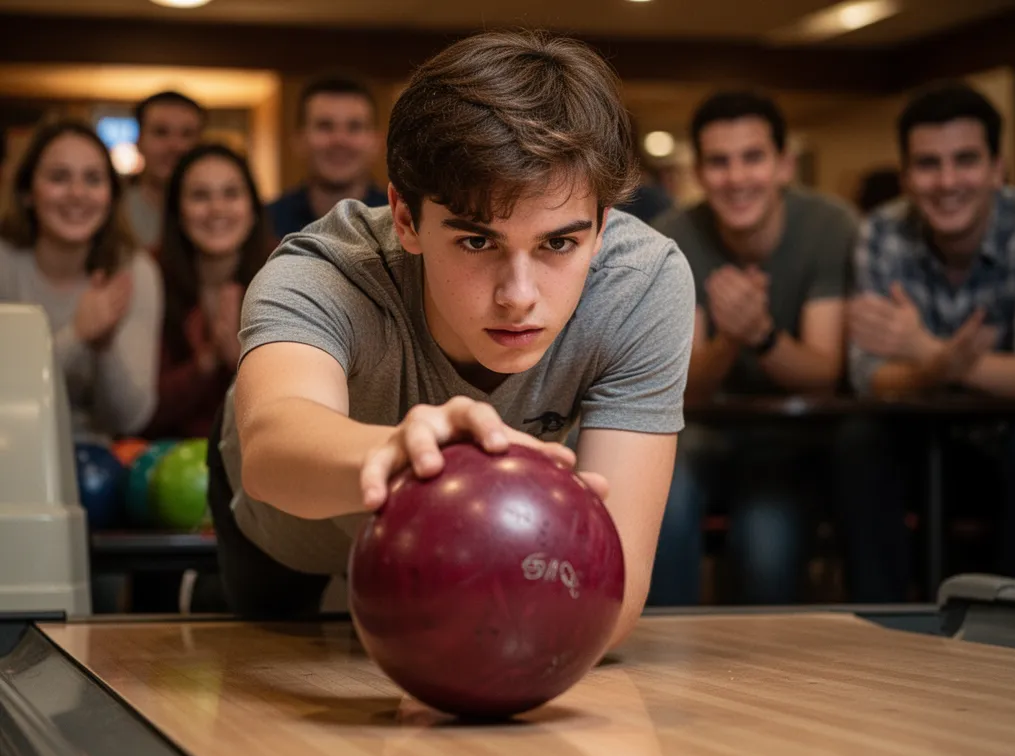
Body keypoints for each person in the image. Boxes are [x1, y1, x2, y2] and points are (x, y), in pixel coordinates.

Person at [206, 30, 695, 650]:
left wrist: (490, 670)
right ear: (406, 219)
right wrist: (406, 453)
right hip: (288, 528)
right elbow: (273, 450)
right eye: (477, 241)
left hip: (475, 537)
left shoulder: (642, 283)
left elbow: (611, 582)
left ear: (601, 227)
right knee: (263, 651)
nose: (519, 295)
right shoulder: (323, 270)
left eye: (558, 244)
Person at [651, 91, 857, 605]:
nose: (737, 178)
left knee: (769, 541)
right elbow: (683, 391)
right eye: (719, 162)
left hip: (792, 436)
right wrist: (729, 342)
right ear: (698, 170)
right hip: (697, 434)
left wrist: (760, 335)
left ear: (785, 165)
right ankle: (652, 659)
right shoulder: (674, 237)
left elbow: (824, 373)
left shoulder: (831, 226)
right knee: (664, 502)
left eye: (753, 157)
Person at [841, 81, 1015, 602]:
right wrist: (947, 364)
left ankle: (1011, 630)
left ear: (998, 168)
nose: (947, 181)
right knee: (858, 440)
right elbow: (868, 377)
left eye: (965, 160)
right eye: (927, 164)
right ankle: (880, 625)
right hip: (912, 435)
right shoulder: (883, 231)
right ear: (905, 176)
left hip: (1009, 438)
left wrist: (928, 356)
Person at [0, 119, 162, 439]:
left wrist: (104, 349)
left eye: (93, 179)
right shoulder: (5, 262)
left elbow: (131, 419)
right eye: (59, 177)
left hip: (101, 460)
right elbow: (8, 395)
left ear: (111, 196)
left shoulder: (135, 271)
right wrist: (77, 336)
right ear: (27, 192)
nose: (77, 194)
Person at [144, 144, 270, 440]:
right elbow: (139, 411)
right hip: (167, 454)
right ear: (177, 212)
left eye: (231, 194)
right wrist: (206, 362)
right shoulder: (150, 275)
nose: (217, 209)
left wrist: (240, 361)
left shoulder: (286, 270)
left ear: (252, 209)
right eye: (200, 196)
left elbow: (299, 407)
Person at [266, 75, 387, 240]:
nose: (339, 140)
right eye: (325, 126)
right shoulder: (266, 225)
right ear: (299, 140)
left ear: (376, 142)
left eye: (354, 127)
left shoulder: (403, 222)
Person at [122, 91, 206, 251]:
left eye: (187, 134)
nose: (175, 146)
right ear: (139, 141)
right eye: (161, 132)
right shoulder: (112, 211)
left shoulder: (223, 213)